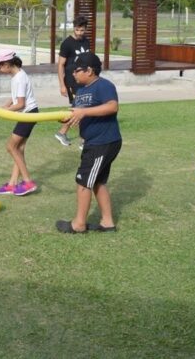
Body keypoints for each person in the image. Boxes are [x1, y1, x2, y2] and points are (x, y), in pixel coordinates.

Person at [55, 52, 121, 234]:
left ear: (89, 71)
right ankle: (107, 223)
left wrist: (84, 113)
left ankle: (79, 224)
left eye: (76, 71)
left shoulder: (103, 86)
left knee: (83, 181)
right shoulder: (81, 91)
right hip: (94, 142)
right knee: (98, 181)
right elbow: (78, 112)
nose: (73, 74)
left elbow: (112, 106)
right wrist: (68, 118)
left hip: (103, 141)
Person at [0, 49, 39, 196]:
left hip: (28, 114)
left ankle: (28, 182)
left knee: (11, 147)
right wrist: (1, 108)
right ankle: (12, 184)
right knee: (19, 149)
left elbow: (21, 104)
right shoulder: (17, 75)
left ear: (7, 64)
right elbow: (14, 98)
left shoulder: (19, 78)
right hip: (28, 114)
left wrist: (2, 113)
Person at [55, 15, 90, 147]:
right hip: (71, 81)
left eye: (82, 30)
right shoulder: (67, 43)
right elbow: (60, 65)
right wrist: (62, 85)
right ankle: (83, 140)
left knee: (80, 108)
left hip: (84, 80)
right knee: (81, 108)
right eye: (77, 30)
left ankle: (62, 132)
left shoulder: (86, 41)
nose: (80, 32)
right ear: (74, 28)